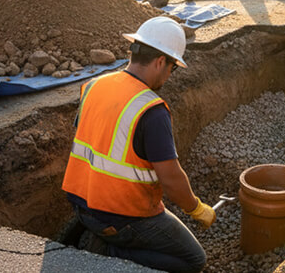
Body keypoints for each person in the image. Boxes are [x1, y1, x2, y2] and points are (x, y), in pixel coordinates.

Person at [62, 16, 212, 272]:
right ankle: (107, 251)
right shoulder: (151, 111)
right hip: (120, 216)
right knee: (194, 260)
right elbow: (172, 180)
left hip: (81, 206)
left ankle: (98, 238)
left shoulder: (93, 86)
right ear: (161, 62)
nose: (169, 75)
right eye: (172, 68)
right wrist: (196, 208)